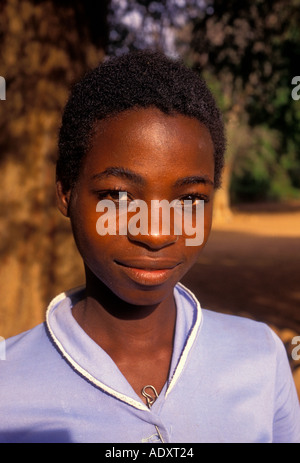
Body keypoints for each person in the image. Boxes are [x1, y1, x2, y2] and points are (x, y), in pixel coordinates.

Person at [0, 50, 299, 444]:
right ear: (65, 192)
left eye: (190, 200)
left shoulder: (261, 357)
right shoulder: (9, 389)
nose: (156, 234)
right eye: (119, 197)